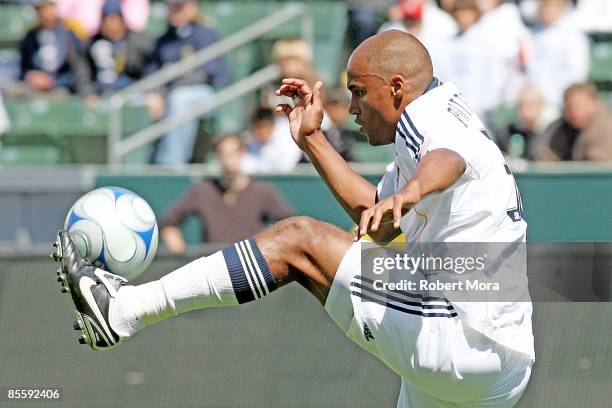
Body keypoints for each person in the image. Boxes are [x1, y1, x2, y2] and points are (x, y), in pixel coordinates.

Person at [52, 30, 534, 407]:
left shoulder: (429, 122)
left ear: (397, 88)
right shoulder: (438, 112)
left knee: (298, 239)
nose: (354, 108)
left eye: (359, 92)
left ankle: (123, 311)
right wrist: (313, 140)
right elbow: (376, 214)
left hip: (463, 336)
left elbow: (447, 160)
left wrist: (409, 194)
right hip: (498, 366)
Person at [160, 133, 294, 252]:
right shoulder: (203, 190)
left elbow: (291, 227)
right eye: (222, 153)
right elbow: (167, 224)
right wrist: (183, 258)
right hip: (214, 268)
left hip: (251, 268)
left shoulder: (262, 191)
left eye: (234, 152)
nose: (228, 159)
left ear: (243, 153)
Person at [148, 0, 231, 165]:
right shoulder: (164, 40)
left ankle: (171, 163)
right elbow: (153, 72)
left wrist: (171, 88)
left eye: (179, 6)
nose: (174, 11)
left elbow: (214, 73)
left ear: (192, 7)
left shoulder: (205, 34)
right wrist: (156, 94)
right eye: (172, 7)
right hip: (172, 93)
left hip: (205, 92)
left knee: (180, 98)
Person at [18, 0, 93, 97]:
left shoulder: (68, 35)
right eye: (39, 9)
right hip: (35, 89)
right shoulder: (30, 37)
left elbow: (79, 69)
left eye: (46, 8)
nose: (44, 13)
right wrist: (31, 76)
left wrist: (53, 81)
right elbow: (24, 68)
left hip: (62, 86)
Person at [527, 0, 589, 108]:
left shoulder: (573, 36)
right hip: (535, 100)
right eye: (544, 7)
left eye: (551, 7)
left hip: (560, 101)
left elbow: (577, 73)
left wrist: (555, 96)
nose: (547, 11)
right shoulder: (533, 34)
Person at [86, 1, 153, 96]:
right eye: (105, 20)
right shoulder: (93, 42)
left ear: (122, 20)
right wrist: (88, 93)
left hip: (132, 91)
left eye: (113, 19)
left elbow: (148, 69)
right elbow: (84, 72)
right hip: (101, 92)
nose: (109, 24)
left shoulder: (138, 41)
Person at [537, 82, 612, 161]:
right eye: (569, 107)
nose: (574, 112)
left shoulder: (606, 127)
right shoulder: (563, 127)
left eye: (580, 106)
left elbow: (599, 168)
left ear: (594, 104)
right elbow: (547, 158)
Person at [240, 107, 303, 173]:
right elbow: (246, 166)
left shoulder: (288, 132)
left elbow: (286, 166)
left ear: (272, 125)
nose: (259, 131)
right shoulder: (251, 140)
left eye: (262, 127)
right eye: (256, 127)